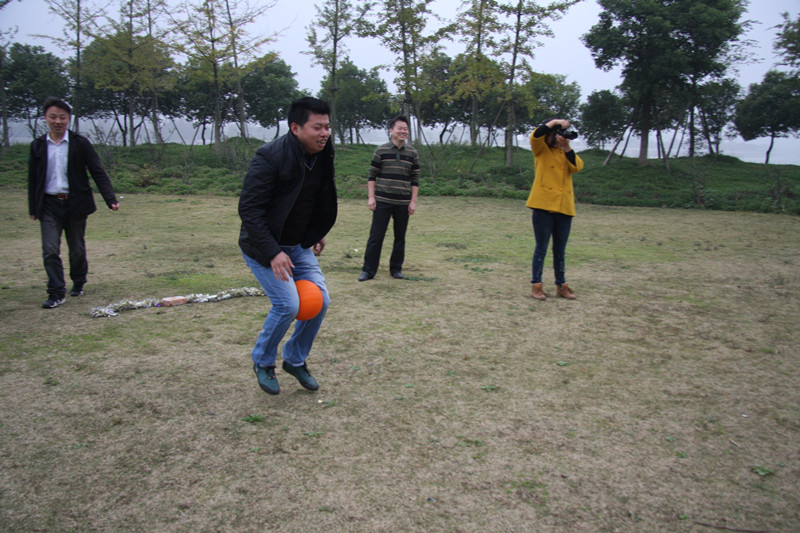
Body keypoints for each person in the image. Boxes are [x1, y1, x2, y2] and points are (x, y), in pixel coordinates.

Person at [238, 97, 337, 396]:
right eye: (317, 127)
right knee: (288, 305)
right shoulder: (269, 157)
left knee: (321, 301)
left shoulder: (322, 153)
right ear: (295, 128)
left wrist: (315, 231)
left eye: (327, 127)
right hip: (264, 246)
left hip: (297, 244)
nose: (324, 133)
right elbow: (249, 210)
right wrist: (273, 252)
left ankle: (295, 360)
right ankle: (263, 361)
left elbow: (314, 196)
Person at [28, 96, 120, 309]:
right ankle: (56, 292)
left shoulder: (80, 143)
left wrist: (110, 198)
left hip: (75, 204)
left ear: (68, 119)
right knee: (50, 249)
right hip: (49, 204)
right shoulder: (38, 145)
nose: (57, 121)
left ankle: (78, 280)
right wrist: (33, 207)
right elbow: (33, 178)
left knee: (76, 248)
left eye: (62, 117)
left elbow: (97, 171)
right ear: (46, 118)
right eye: (53, 117)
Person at [526, 118, 584, 301]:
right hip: (543, 206)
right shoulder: (541, 150)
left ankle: (561, 285)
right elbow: (536, 136)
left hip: (564, 207)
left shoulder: (565, 153)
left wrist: (566, 146)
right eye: (557, 134)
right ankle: (536, 285)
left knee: (560, 250)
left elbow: (577, 166)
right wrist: (556, 122)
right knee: (541, 248)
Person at [358, 115, 420, 281]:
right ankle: (368, 270)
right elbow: (372, 175)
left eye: (405, 129)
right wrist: (371, 197)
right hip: (382, 201)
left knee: (400, 238)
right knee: (376, 237)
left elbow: (415, 179)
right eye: (400, 128)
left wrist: (413, 201)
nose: (403, 131)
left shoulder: (412, 153)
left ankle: (396, 269)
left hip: (403, 202)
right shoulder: (381, 151)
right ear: (391, 130)